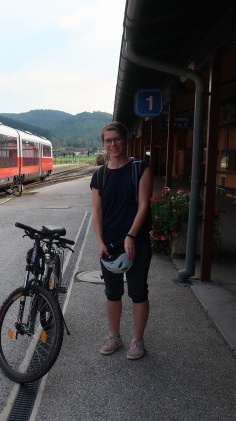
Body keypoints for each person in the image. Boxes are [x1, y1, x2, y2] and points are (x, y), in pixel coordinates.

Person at [90, 121, 152, 360]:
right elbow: (96, 212)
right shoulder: (100, 175)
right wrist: (99, 240)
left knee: (138, 291)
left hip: (136, 242)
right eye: (108, 140)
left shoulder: (140, 168)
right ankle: (115, 336)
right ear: (103, 144)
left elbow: (144, 205)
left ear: (125, 140)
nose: (113, 144)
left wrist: (131, 235)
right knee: (112, 292)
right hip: (109, 243)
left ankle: (138, 340)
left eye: (116, 139)